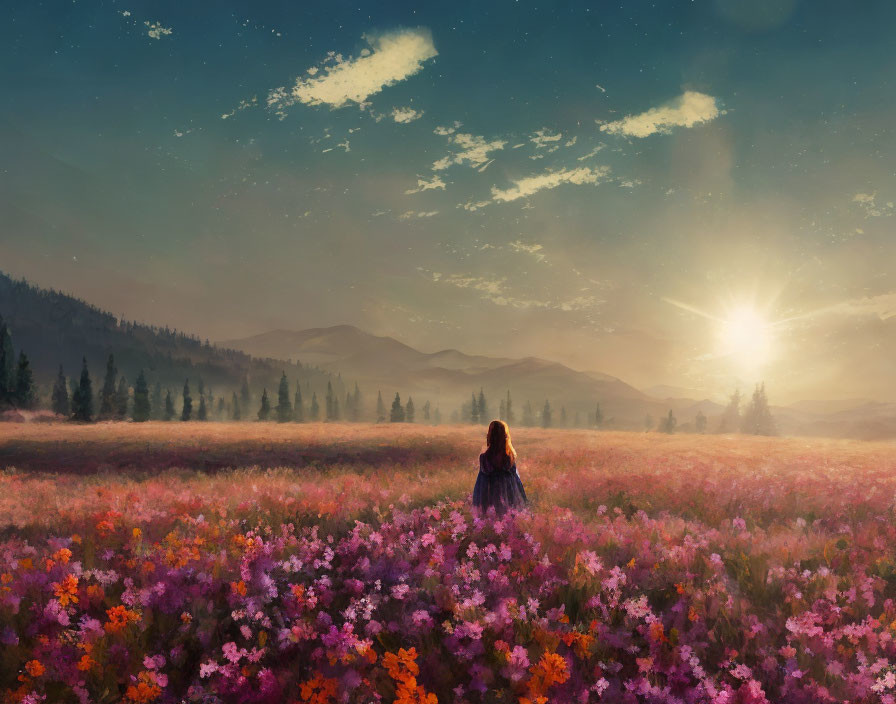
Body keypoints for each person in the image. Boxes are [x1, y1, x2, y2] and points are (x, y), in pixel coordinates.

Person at [472, 419, 528, 516]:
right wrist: (523, 499)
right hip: (509, 497)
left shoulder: (485, 458)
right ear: (505, 437)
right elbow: (516, 482)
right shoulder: (509, 457)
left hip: (491, 498)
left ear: (490, 436)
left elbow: (481, 485)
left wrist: (481, 505)